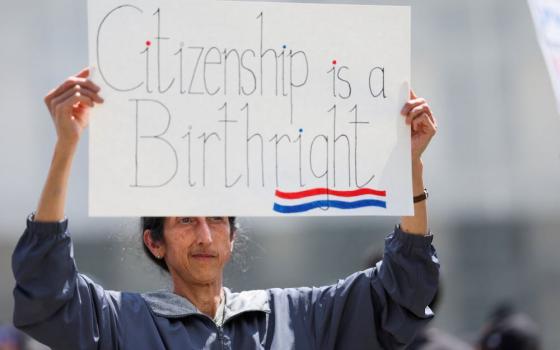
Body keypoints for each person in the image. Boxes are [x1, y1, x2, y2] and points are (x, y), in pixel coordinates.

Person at [12, 67, 439, 349]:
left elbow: (401, 291)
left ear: (233, 238)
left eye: (216, 219)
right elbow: (49, 293)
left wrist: (411, 169)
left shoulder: (296, 317)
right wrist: (66, 147)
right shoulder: (122, 324)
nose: (204, 235)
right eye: (184, 221)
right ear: (154, 242)